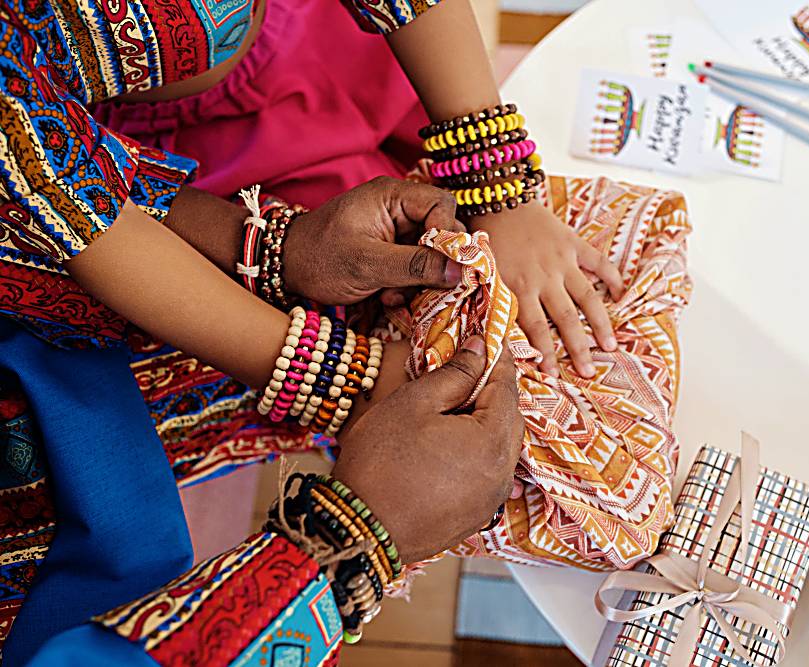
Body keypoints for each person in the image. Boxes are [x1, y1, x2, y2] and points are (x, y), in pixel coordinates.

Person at [0, 0, 689, 662]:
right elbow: (47, 181)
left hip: (200, 153)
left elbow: (61, 172)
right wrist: (350, 529)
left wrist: (493, 179)